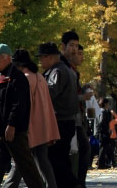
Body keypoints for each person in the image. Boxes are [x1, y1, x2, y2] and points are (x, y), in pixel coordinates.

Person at [2, 50, 59, 188]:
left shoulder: (25, 78)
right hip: (43, 126)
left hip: (30, 126)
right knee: (41, 162)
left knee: (20, 161)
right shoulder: (39, 77)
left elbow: (23, 104)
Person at [0, 44, 45, 188]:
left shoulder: (16, 77)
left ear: (8, 58)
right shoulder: (0, 77)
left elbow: (19, 104)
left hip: (14, 132)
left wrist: (12, 124)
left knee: (27, 167)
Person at [37, 42, 81, 188]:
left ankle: (73, 185)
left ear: (49, 57)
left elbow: (49, 93)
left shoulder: (57, 72)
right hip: (66, 120)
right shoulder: (65, 70)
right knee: (62, 159)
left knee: (56, 161)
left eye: (41, 58)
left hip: (60, 121)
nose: (40, 62)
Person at [62, 32, 93, 188]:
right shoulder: (63, 69)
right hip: (69, 117)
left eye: (78, 49)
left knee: (79, 150)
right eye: (73, 47)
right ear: (64, 47)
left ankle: (77, 182)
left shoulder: (72, 71)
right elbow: (66, 95)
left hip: (75, 117)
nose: (78, 54)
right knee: (76, 151)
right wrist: (83, 97)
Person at [96, 98, 115, 169]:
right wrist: (107, 129)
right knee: (103, 148)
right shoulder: (104, 112)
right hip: (104, 132)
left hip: (102, 132)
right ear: (106, 104)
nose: (109, 105)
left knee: (104, 148)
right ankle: (101, 164)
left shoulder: (100, 111)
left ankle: (103, 163)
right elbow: (102, 122)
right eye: (108, 103)